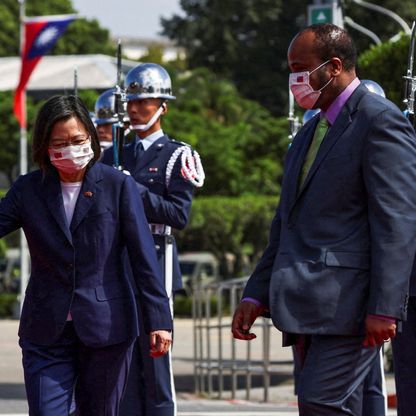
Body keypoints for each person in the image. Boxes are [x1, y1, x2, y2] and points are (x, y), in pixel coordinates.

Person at [231, 23, 416, 415]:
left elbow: (397, 220)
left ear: (333, 66)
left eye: (300, 68)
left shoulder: (379, 120)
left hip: (351, 305)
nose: (293, 79)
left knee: (321, 401)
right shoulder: (309, 131)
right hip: (306, 304)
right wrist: (255, 293)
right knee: (323, 404)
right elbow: (286, 223)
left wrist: (385, 306)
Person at [0, 95, 173, 416]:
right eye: (60, 143)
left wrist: (159, 320)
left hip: (107, 329)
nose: (70, 149)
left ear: (92, 139)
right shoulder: (27, 189)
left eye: (78, 140)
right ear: (44, 146)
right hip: (46, 331)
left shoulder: (118, 185)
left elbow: (143, 258)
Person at [101, 63, 203, 416]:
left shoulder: (178, 155)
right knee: (124, 364)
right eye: (131, 102)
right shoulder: (115, 154)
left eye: (144, 102)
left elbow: (178, 214)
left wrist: (131, 190)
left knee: (156, 364)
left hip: (157, 261)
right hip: (119, 263)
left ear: (163, 106)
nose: (134, 109)